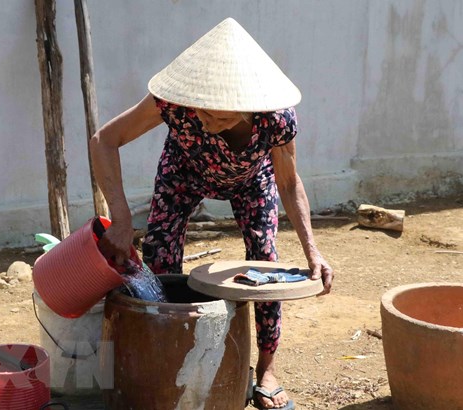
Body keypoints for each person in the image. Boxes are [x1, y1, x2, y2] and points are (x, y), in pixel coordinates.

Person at [89, 17, 334, 410]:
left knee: (265, 263)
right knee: (161, 259)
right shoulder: (173, 104)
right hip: (183, 173)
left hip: (252, 183)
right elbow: (105, 140)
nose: (203, 119)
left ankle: (266, 369)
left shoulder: (276, 120)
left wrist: (312, 251)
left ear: (247, 108)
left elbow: (289, 183)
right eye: (200, 111)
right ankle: (170, 357)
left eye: (217, 116)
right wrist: (121, 219)